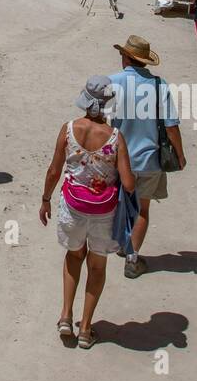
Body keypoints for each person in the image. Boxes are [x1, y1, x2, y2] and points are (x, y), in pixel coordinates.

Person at [39, 76, 135, 349]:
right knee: (97, 266)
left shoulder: (69, 129)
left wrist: (45, 199)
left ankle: (66, 316)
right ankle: (85, 328)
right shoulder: (116, 138)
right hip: (104, 213)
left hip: (73, 207)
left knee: (73, 256)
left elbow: (54, 171)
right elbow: (128, 184)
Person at [109, 34, 186, 278]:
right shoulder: (158, 85)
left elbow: (101, 121)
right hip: (149, 159)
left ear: (126, 57)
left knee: (120, 202)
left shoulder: (112, 82)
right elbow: (171, 126)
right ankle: (132, 258)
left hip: (118, 159)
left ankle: (120, 243)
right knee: (142, 209)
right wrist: (180, 156)